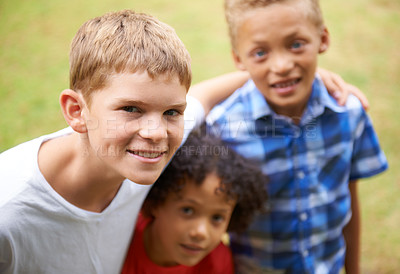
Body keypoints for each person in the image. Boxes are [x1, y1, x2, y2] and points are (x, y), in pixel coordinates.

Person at [0, 10, 204, 274]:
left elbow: (205, 97)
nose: (156, 133)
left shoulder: (139, 158)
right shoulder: (9, 212)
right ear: (77, 111)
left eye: (172, 112)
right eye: (131, 109)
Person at [201, 0, 388, 273]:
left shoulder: (348, 114)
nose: (282, 65)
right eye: (260, 53)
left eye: (296, 44)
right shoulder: (222, 129)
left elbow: (348, 203)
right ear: (238, 59)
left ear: (322, 39)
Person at [121, 128, 268, 274]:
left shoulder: (216, 262)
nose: (201, 232)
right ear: (156, 202)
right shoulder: (121, 240)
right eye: (187, 210)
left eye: (217, 217)